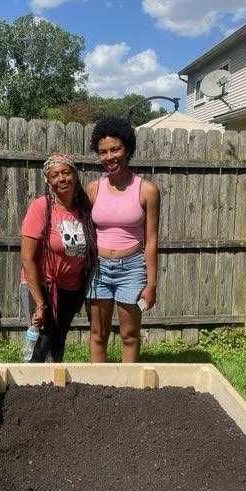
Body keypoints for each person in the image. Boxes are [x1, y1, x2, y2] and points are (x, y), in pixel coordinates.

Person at [86, 116, 160, 362]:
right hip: (98, 270)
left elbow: (151, 241)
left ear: (127, 148)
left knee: (129, 335)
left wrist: (151, 285)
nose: (109, 157)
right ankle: (97, 388)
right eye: (103, 152)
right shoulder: (93, 189)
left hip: (131, 270)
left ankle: (129, 393)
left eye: (115, 149)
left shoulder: (147, 190)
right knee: (98, 334)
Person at [20, 154, 97, 362]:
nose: (62, 179)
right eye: (55, 175)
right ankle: (30, 385)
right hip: (43, 286)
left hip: (72, 289)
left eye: (67, 172)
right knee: (42, 340)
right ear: (48, 180)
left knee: (58, 338)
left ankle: (53, 385)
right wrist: (39, 303)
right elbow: (27, 257)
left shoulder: (83, 209)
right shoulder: (41, 207)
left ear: (75, 175)